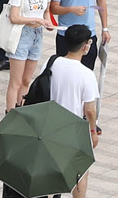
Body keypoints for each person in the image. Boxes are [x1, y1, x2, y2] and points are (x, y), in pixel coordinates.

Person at [48, 24, 100, 198]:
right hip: (73, 128)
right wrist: (93, 132)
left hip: (49, 124)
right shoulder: (86, 74)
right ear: (85, 46)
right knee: (80, 170)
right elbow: (90, 110)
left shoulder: (52, 63)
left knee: (50, 168)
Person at [1, 0, 57, 107]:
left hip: (37, 35)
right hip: (22, 34)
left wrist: (48, 23)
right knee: (16, 81)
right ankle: (10, 111)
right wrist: (36, 20)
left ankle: (22, 107)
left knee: (26, 80)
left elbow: (46, 11)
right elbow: (14, 17)